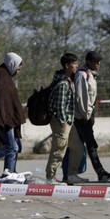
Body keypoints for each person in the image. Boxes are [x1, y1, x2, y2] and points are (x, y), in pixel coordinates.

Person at [65, 51, 110, 183]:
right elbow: (81, 97)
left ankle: (70, 173)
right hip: (82, 117)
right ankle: (98, 172)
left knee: (81, 146)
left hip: (87, 115)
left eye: (99, 61)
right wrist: (86, 115)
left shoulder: (91, 75)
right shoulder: (82, 75)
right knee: (89, 145)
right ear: (89, 61)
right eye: (96, 61)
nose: (98, 64)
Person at [45, 53, 79, 184]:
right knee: (58, 149)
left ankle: (66, 174)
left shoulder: (67, 80)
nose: (76, 66)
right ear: (66, 65)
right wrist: (64, 121)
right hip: (61, 122)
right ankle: (50, 177)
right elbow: (59, 106)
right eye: (74, 63)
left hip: (67, 120)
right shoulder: (63, 83)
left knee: (68, 148)